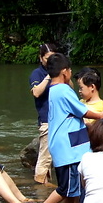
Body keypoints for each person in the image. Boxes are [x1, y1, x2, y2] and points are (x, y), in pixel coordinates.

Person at [28, 53, 103, 203]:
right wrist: (101, 115)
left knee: (72, 185)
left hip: (65, 143)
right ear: (65, 71)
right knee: (65, 187)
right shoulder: (64, 90)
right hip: (68, 147)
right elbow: (83, 111)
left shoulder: (54, 89)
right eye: (69, 70)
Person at [29, 43, 59, 186]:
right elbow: (36, 92)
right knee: (45, 157)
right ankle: (40, 186)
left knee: (56, 156)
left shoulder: (59, 72)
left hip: (61, 119)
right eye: (48, 58)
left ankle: (46, 185)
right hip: (47, 120)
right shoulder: (37, 73)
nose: (50, 61)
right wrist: (49, 76)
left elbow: (71, 89)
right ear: (41, 58)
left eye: (54, 58)